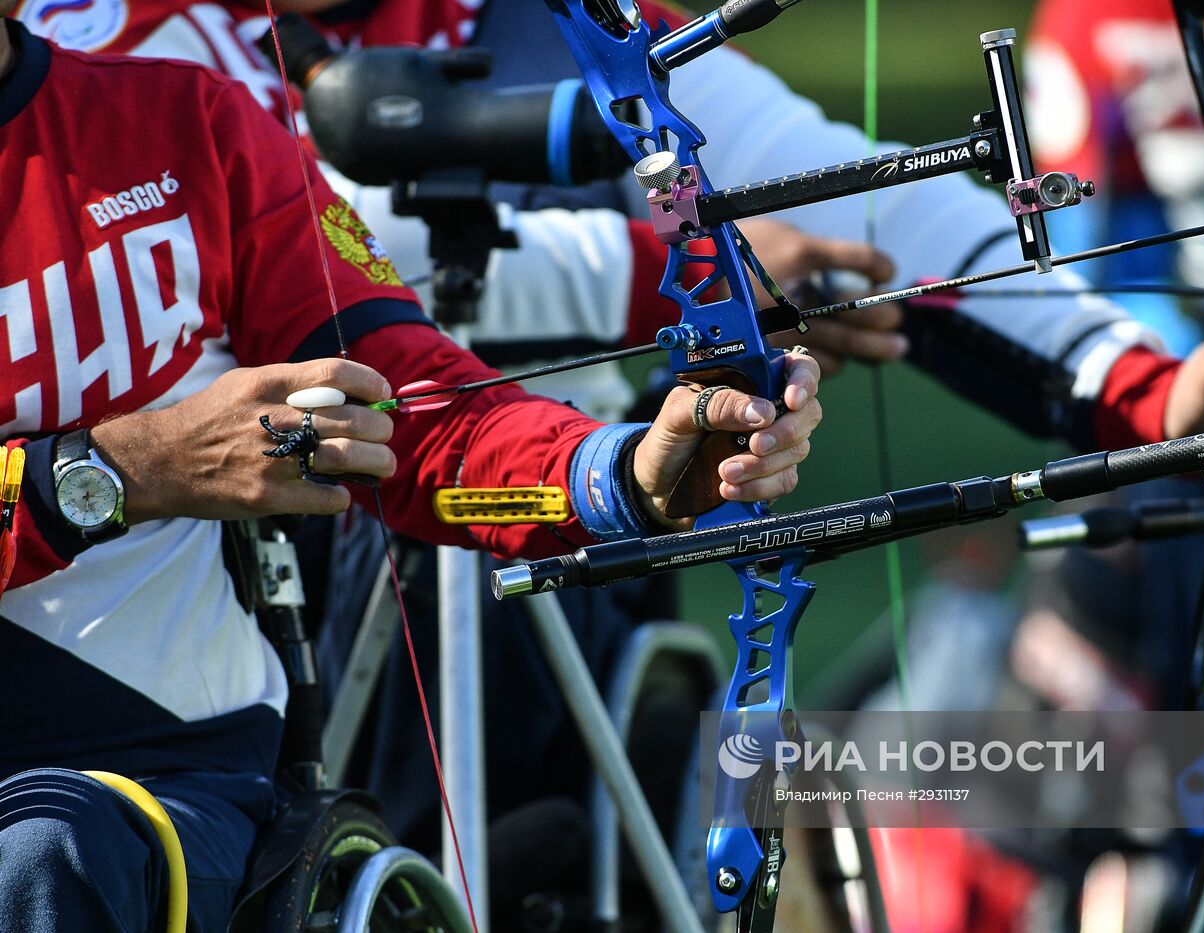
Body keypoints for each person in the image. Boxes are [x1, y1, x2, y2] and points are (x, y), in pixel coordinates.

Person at [0, 9, 826, 931]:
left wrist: (625, 470)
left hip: (147, 777)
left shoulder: (185, 123)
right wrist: (110, 472)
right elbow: (120, 468)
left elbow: (414, 413)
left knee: (42, 852)